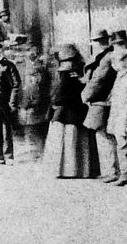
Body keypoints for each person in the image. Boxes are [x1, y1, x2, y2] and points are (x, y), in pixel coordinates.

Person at [43, 44, 100, 179]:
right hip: (75, 109)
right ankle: (78, 170)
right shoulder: (79, 70)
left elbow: (61, 91)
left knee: (66, 138)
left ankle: (67, 170)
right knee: (73, 138)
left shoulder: (66, 72)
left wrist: (55, 102)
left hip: (66, 109)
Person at [81, 29, 119, 183]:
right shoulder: (102, 56)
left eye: (100, 41)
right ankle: (111, 170)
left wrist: (85, 95)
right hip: (100, 99)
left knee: (104, 136)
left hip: (102, 100)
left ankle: (112, 171)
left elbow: (99, 80)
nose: (99, 44)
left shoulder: (107, 57)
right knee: (104, 135)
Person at [106, 51, 127, 186]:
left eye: (117, 61)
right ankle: (125, 173)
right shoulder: (120, 76)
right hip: (117, 114)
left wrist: (126, 117)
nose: (114, 65)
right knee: (121, 144)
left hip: (126, 114)